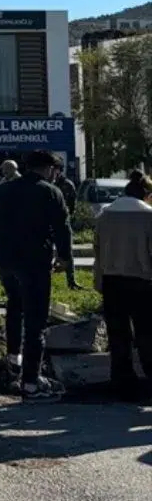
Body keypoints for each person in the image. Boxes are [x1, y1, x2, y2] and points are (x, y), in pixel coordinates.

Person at [0, 149, 71, 400]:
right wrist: (64, 258)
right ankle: (31, 383)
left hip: (5, 261)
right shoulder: (50, 192)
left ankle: (14, 361)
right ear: (49, 169)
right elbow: (62, 228)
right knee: (36, 321)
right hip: (34, 263)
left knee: (15, 306)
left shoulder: (3, 190)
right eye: (55, 171)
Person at [92, 170, 152, 402]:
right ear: (146, 194)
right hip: (143, 282)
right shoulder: (148, 217)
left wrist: (98, 281)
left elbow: (97, 252)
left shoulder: (105, 216)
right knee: (146, 333)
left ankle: (121, 380)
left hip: (112, 282)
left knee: (118, 334)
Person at [54, 169, 81, 289]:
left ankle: (71, 281)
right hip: (47, 222)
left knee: (67, 251)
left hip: (63, 221)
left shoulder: (67, 184)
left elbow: (72, 203)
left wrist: (67, 215)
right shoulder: (47, 183)